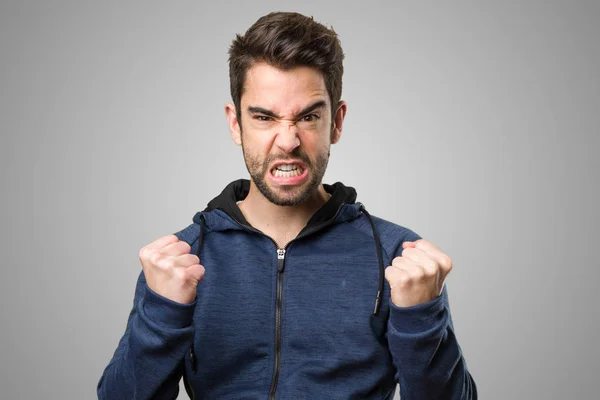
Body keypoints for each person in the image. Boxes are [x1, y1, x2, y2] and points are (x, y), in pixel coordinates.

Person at [97, 11, 477, 400]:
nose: (287, 141)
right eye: (264, 117)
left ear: (336, 122)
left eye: (308, 116)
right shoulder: (181, 259)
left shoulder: (398, 258)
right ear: (235, 123)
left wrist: (420, 320)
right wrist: (162, 314)